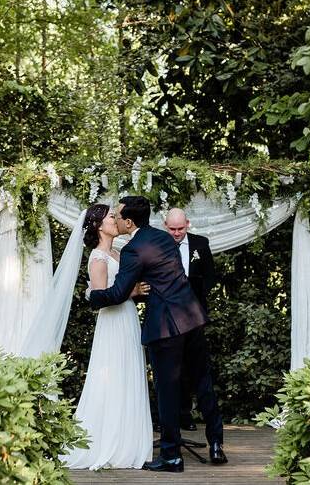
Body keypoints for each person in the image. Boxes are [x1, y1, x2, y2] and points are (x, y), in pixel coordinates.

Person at [89, 196, 226, 473]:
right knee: (203, 382)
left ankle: (171, 456)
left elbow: (116, 294)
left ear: (129, 222)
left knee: (167, 391)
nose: (115, 219)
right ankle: (215, 443)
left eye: (118, 216)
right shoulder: (164, 239)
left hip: (166, 327)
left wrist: (92, 296)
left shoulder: (132, 250)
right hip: (192, 318)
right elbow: (166, 280)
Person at [62, 204, 153, 470]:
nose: (117, 220)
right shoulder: (98, 258)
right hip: (113, 323)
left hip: (127, 319)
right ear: (99, 226)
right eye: (111, 217)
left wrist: (135, 292)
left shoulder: (119, 252)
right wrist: (132, 292)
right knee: (113, 377)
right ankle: (111, 442)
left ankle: (130, 440)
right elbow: (101, 297)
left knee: (129, 374)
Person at [164, 208, 216, 431]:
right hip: (167, 316)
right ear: (165, 226)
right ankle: (175, 416)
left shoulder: (200, 244)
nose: (177, 233)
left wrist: (195, 299)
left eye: (181, 228)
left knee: (193, 366)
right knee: (172, 368)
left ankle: (188, 414)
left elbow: (211, 275)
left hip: (193, 315)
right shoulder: (159, 245)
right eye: (172, 229)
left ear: (188, 223)